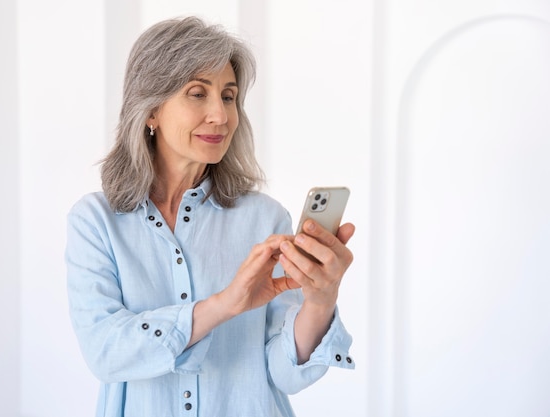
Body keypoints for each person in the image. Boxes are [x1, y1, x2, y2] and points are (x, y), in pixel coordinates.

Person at [66, 16, 355, 417]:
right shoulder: (95, 222)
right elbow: (106, 353)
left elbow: (285, 374)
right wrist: (225, 304)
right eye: (198, 94)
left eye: (229, 96)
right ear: (150, 111)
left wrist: (321, 301)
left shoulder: (265, 219)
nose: (220, 115)